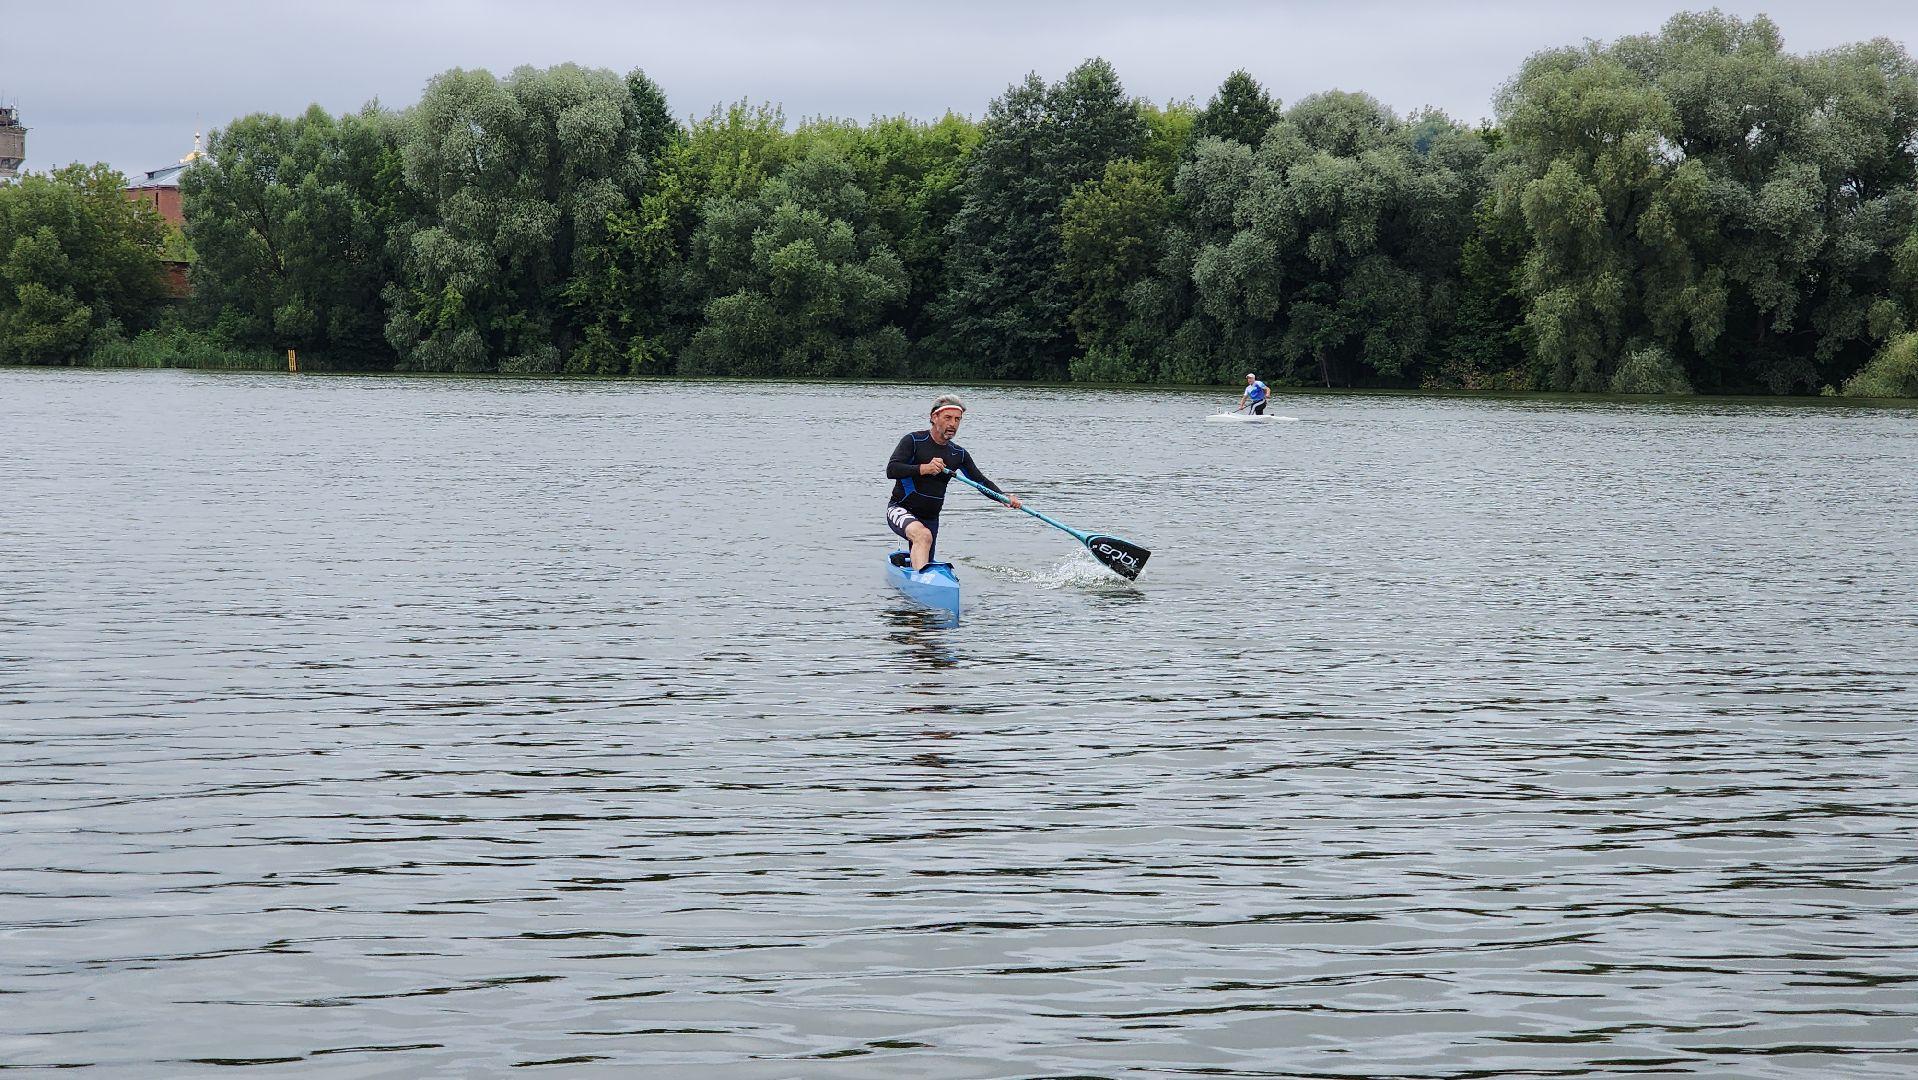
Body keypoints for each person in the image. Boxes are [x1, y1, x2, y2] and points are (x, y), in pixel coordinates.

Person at [886, 394, 1021, 571]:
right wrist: (924, 468)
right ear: (934, 418)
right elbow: (892, 470)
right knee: (923, 536)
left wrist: (1003, 497)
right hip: (901, 508)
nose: (953, 424)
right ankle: (922, 579)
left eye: (957, 419)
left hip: (931, 518)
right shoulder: (913, 441)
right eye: (948, 418)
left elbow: (980, 481)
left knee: (925, 546)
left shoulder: (958, 454)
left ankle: (920, 576)